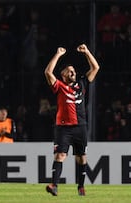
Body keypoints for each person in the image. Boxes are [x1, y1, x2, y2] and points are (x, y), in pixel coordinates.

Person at [44, 44, 99, 196]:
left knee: (81, 158)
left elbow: (95, 68)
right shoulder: (59, 86)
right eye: (69, 71)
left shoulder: (81, 83)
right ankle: (54, 185)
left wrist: (87, 52)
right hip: (63, 128)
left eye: (73, 70)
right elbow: (48, 72)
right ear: (63, 75)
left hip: (80, 126)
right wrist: (58, 54)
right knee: (60, 155)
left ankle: (81, 187)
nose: (72, 72)